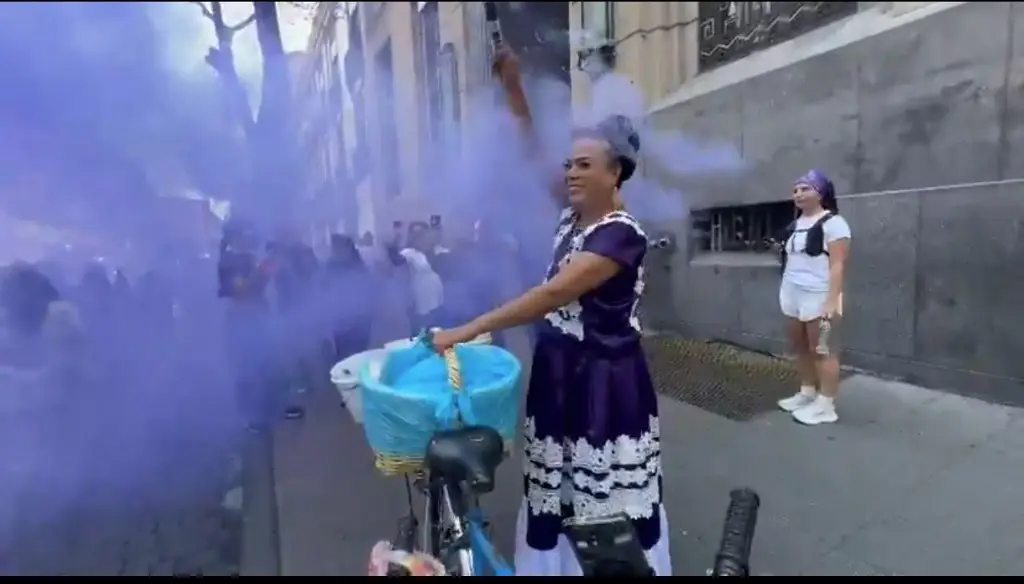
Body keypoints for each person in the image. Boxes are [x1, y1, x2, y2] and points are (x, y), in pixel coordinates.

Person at [430, 48, 671, 577]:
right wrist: (514, 86)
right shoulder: (573, 217)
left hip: (603, 388)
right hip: (558, 377)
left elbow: (549, 296)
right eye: (570, 165)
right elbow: (531, 150)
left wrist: (466, 330)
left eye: (585, 165)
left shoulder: (619, 236)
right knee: (555, 498)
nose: (571, 173)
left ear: (617, 174)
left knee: (601, 504)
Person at [776, 170, 851, 425]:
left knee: (822, 350)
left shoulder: (834, 223)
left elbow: (838, 265)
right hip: (792, 293)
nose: (798, 194)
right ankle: (807, 392)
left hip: (819, 294)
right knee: (800, 347)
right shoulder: (794, 225)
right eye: (796, 190)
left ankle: (826, 405)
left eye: (805, 188)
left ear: (821, 193)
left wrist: (832, 300)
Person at [324, 234, 374, 361]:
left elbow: (368, 286)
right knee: (343, 351)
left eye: (338, 246)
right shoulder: (331, 265)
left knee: (359, 350)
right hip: (340, 316)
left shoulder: (357, 264)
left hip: (360, 316)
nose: (335, 250)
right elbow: (324, 287)